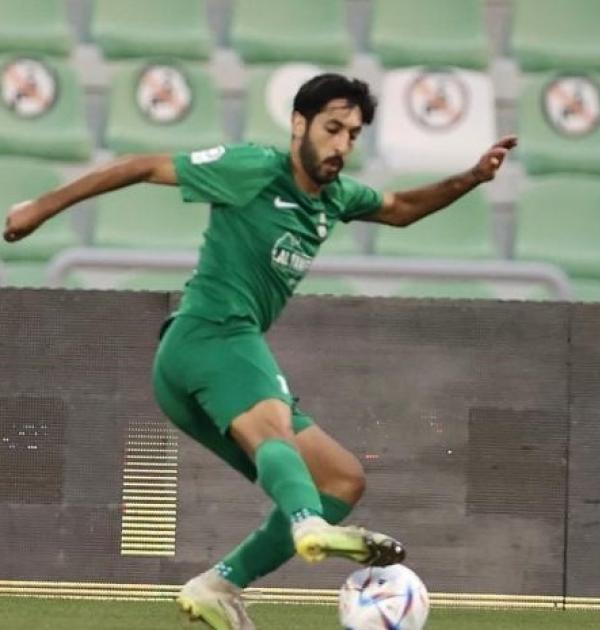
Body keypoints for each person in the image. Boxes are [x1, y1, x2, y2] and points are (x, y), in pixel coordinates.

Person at [4, 73, 518, 630]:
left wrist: (473, 177)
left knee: (341, 480)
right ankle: (307, 524)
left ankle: (221, 583)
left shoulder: (336, 197)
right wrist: (41, 208)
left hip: (206, 367)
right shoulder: (252, 167)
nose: (342, 144)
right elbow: (143, 166)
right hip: (209, 335)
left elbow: (400, 208)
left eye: (352, 134)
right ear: (299, 123)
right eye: (332, 128)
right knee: (283, 446)